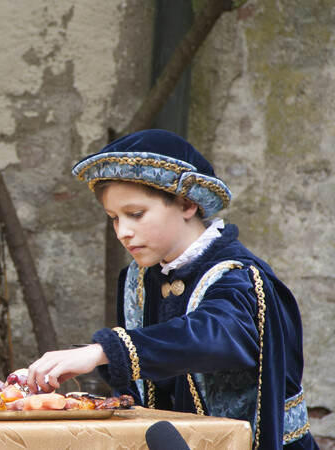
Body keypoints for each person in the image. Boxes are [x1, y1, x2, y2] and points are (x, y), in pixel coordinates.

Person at [26, 129, 317, 449]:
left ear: (187, 204)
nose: (123, 231)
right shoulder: (139, 279)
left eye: (135, 214)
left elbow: (210, 335)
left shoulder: (239, 278)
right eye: (114, 218)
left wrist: (103, 351)